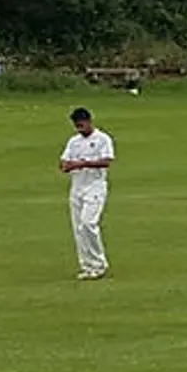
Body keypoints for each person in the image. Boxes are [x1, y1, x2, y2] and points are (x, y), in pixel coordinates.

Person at [59, 107, 115, 280]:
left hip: (95, 186)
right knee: (78, 228)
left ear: (89, 121)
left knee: (88, 223)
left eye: (81, 125)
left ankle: (99, 263)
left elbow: (106, 161)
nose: (79, 128)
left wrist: (82, 164)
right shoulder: (73, 142)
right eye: (76, 126)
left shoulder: (102, 139)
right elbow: (64, 161)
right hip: (77, 187)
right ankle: (87, 265)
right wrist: (65, 166)